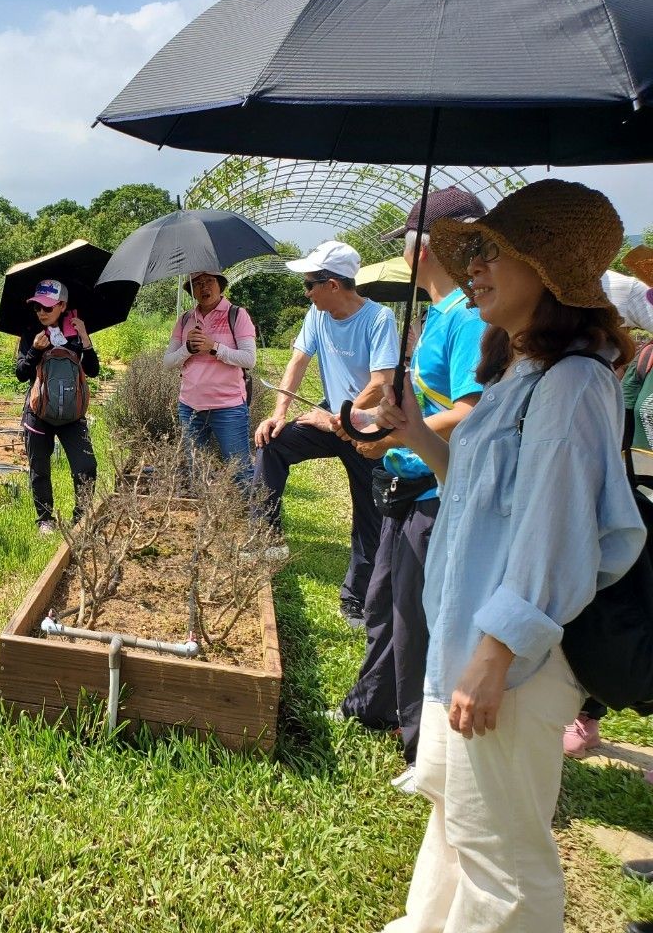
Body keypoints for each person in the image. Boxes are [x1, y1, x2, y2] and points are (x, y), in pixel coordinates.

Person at [373, 179, 644, 933]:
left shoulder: (572, 384)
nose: (476, 269)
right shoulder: (522, 374)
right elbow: (485, 504)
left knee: (505, 862)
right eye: (475, 252)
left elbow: (558, 539)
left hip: (512, 663)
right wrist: (420, 437)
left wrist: (496, 654)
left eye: (497, 253)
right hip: (471, 644)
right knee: (457, 822)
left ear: (550, 271)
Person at [335, 187, 488, 790]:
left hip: (435, 489)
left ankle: (421, 745)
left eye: (406, 235)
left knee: (415, 619)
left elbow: (471, 411)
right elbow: (424, 403)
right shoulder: (438, 314)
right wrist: (378, 424)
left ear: (426, 246)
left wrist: (399, 432)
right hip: (406, 484)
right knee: (383, 602)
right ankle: (372, 706)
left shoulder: (469, 318)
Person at [253, 240, 399, 622]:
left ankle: (357, 596)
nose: (306, 293)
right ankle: (266, 540)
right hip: (332, 415)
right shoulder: (316, 316)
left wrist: (339, 418)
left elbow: (382, 382)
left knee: (369, 514)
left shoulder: (379, 319)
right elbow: (298, 361)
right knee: (273, 444)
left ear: (333, 284)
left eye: (309, 285)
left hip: (367, 426)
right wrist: (278, 412)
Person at [563, 246, 653, 762]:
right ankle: (588, 714)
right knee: (621, 602)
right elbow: (621, 415)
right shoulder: (643, 359)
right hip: (639, 495)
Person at [15, 279, 99, 534]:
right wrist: (35, 350)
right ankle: (44, 519)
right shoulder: (31, 333)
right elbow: (21, 373)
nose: (41, 312)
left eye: (47, 307)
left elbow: (93, 370)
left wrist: (85, 338)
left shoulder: (76, 332)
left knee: (86, 467)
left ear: (62, 305)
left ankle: (81, 518)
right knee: (40, 469)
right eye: (37, 307)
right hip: (38, 413)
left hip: (72, 415)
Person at [163, 269, 257, 482]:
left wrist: (213, 347)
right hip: (189, 407)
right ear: (192, 291)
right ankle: (208, 513)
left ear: (220, 284)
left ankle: (254, 515)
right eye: (197, 283)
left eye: (209, 281)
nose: (204, 287)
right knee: (197, 471)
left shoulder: (237, 315)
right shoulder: (186, 319)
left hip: (228, 407)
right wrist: (188, 348)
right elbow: (168, 362)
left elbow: (249, 359)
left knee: (239, 471)